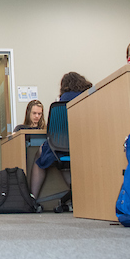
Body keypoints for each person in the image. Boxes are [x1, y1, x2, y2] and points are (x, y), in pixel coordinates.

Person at [29, 72, 92, 200]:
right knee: (66, 162)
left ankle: (32, 198)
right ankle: (79, 198)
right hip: (87, 144)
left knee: (42, 155)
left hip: (63, 144)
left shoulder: (64, 99)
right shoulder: (89, 96)